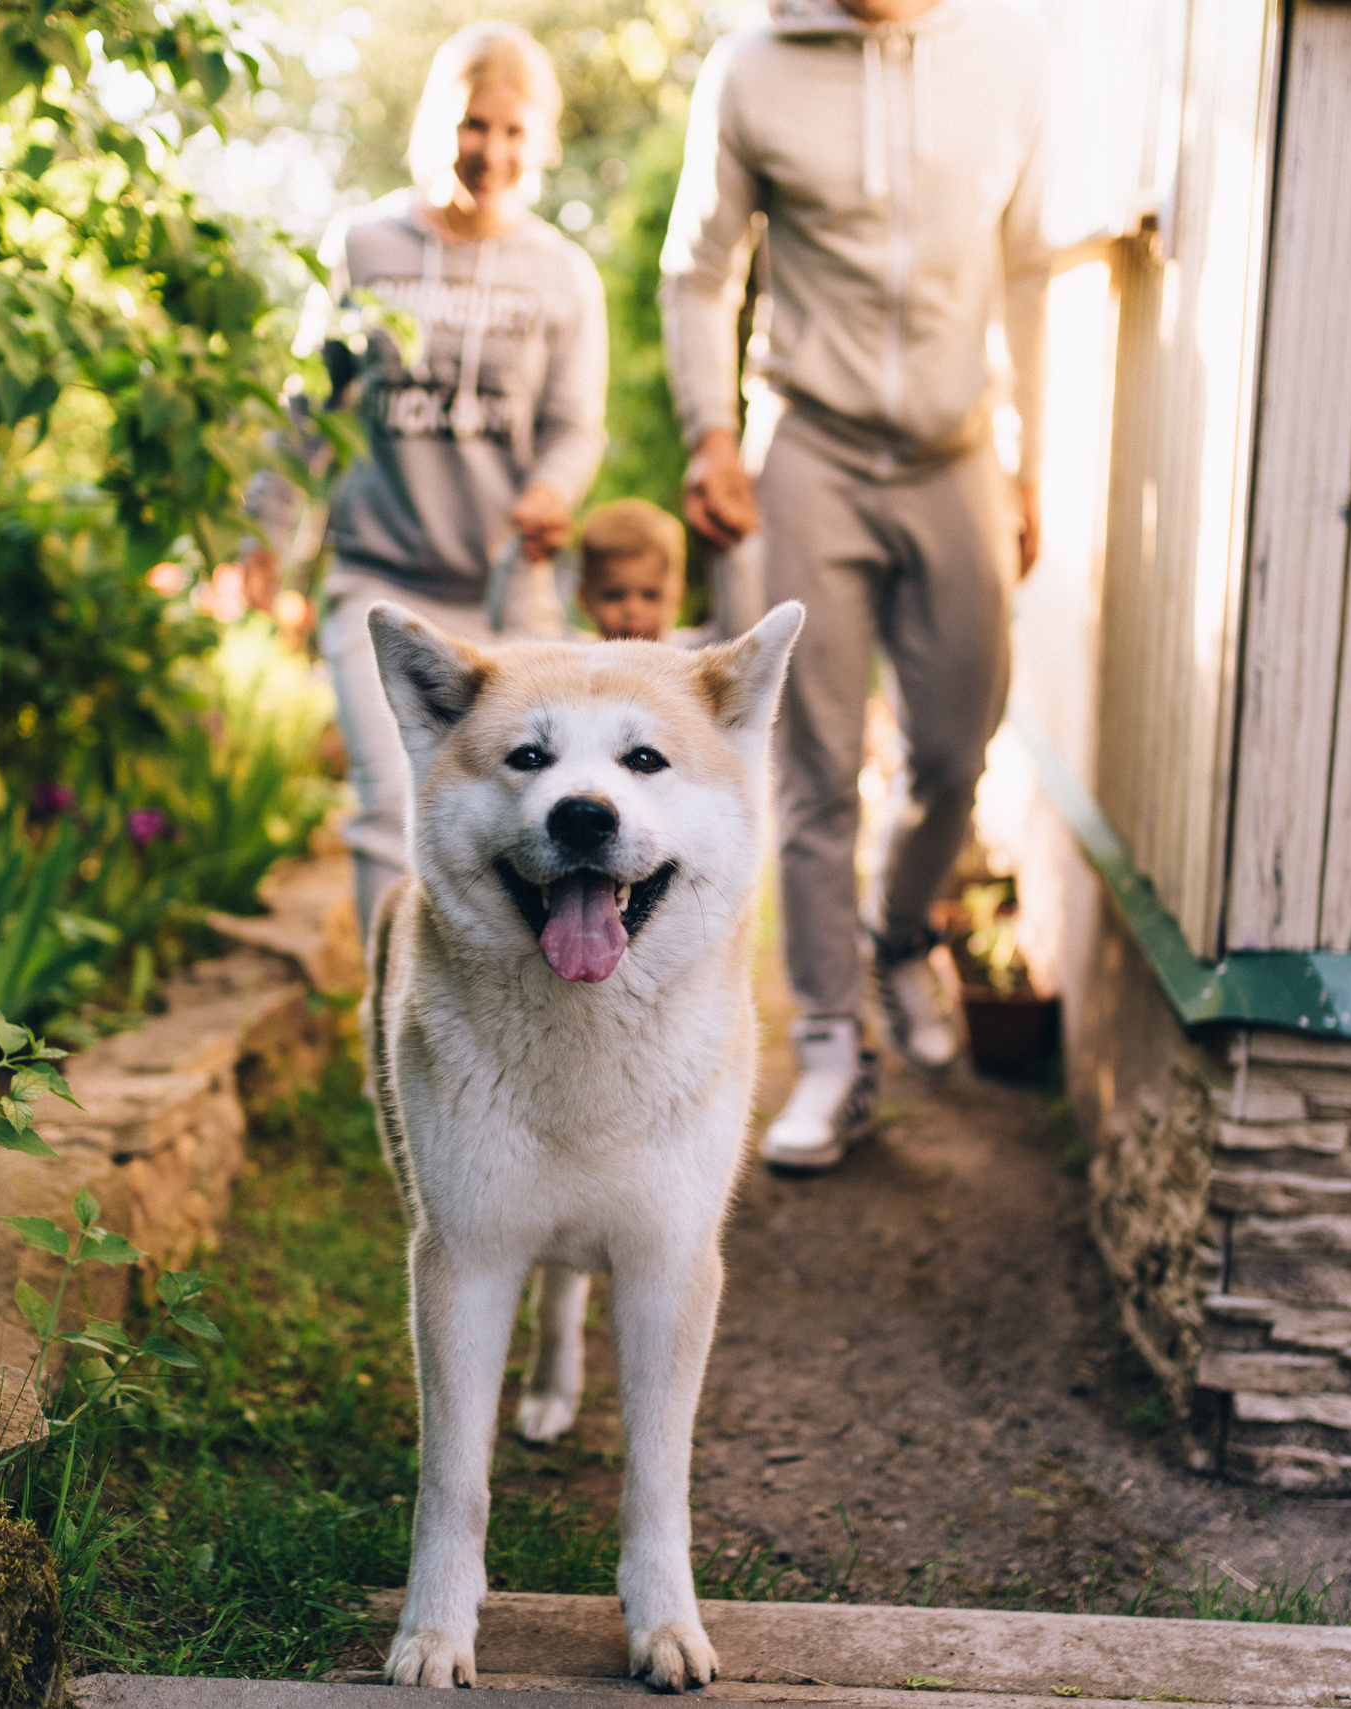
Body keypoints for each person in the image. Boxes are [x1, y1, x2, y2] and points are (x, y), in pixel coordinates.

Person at [659, 0, 1050, 1171]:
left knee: (952, 750)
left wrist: (1034, 454)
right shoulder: (751, 72)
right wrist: (708, 433)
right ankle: (832, 1045)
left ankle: (899, 934)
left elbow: (1027, 271)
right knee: (814, 766)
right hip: (809, 445)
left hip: (958, 451)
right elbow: (699, 271)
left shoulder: (1007, 59)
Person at [317, 20, 609, 933]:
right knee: (388, 805)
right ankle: (387, 1048)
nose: (492, 150)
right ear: (437, 121)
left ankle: (490, 1038)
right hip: (379, 580)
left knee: (519, 817)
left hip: (506, 602)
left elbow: (573, 428)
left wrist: (554, 487)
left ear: (540, 143)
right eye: (475, 124)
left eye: (515, 131)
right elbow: (309, 408)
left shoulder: (563, 275)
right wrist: (259, 531)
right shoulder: (365, 245)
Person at [574, 497, 689, 642]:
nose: (633, 610)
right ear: (584, 600)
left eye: (650, 595)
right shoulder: (577, 656)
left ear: (677, 597)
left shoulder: (691, 654)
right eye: (614, 595)